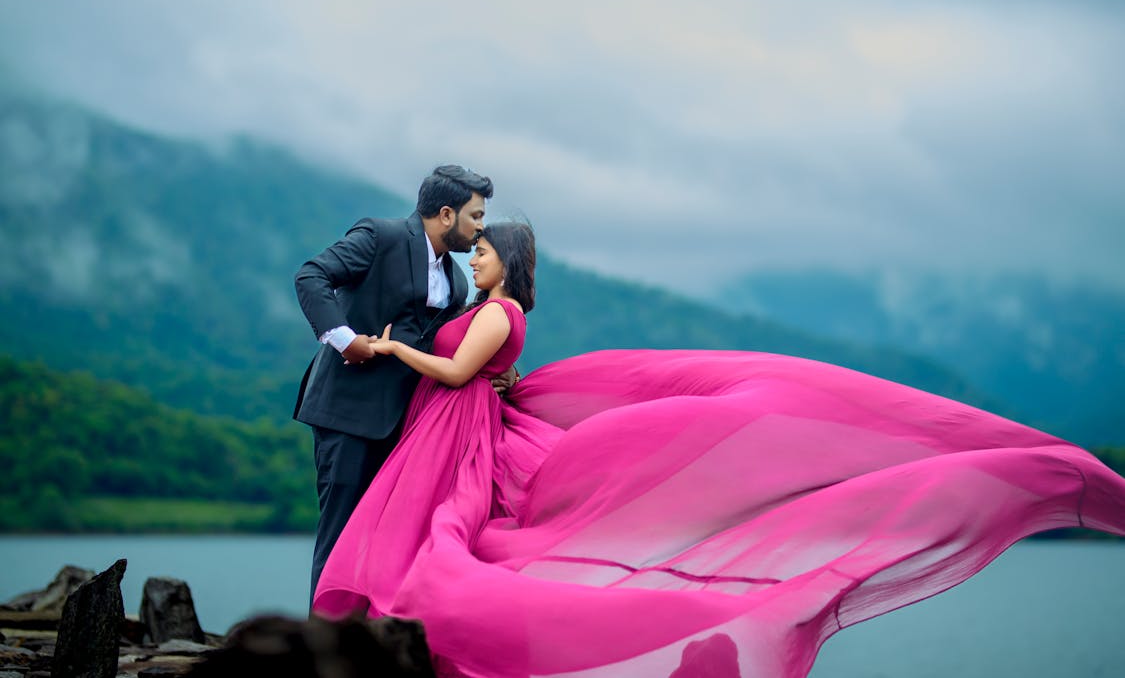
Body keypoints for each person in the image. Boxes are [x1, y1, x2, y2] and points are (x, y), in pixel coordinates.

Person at [313, 222, 1125, 678]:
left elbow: (459, 369)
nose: (475, 253)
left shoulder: (498, 308)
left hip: (452, 427)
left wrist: (390, 351)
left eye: (484, 249)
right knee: (464, 536)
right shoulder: (489, 308)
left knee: (465, 549)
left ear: (510, 262)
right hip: (453, 433)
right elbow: (488, 369)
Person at [293, 164, 497, 598]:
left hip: (406, 427)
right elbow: (311, 276)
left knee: (383, 543)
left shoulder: (456, 281)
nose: (481, 227)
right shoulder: (379, 236)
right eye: (475, 216)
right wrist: (346, 341)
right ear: (446, 214)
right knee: (339, 540)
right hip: (346, 414)